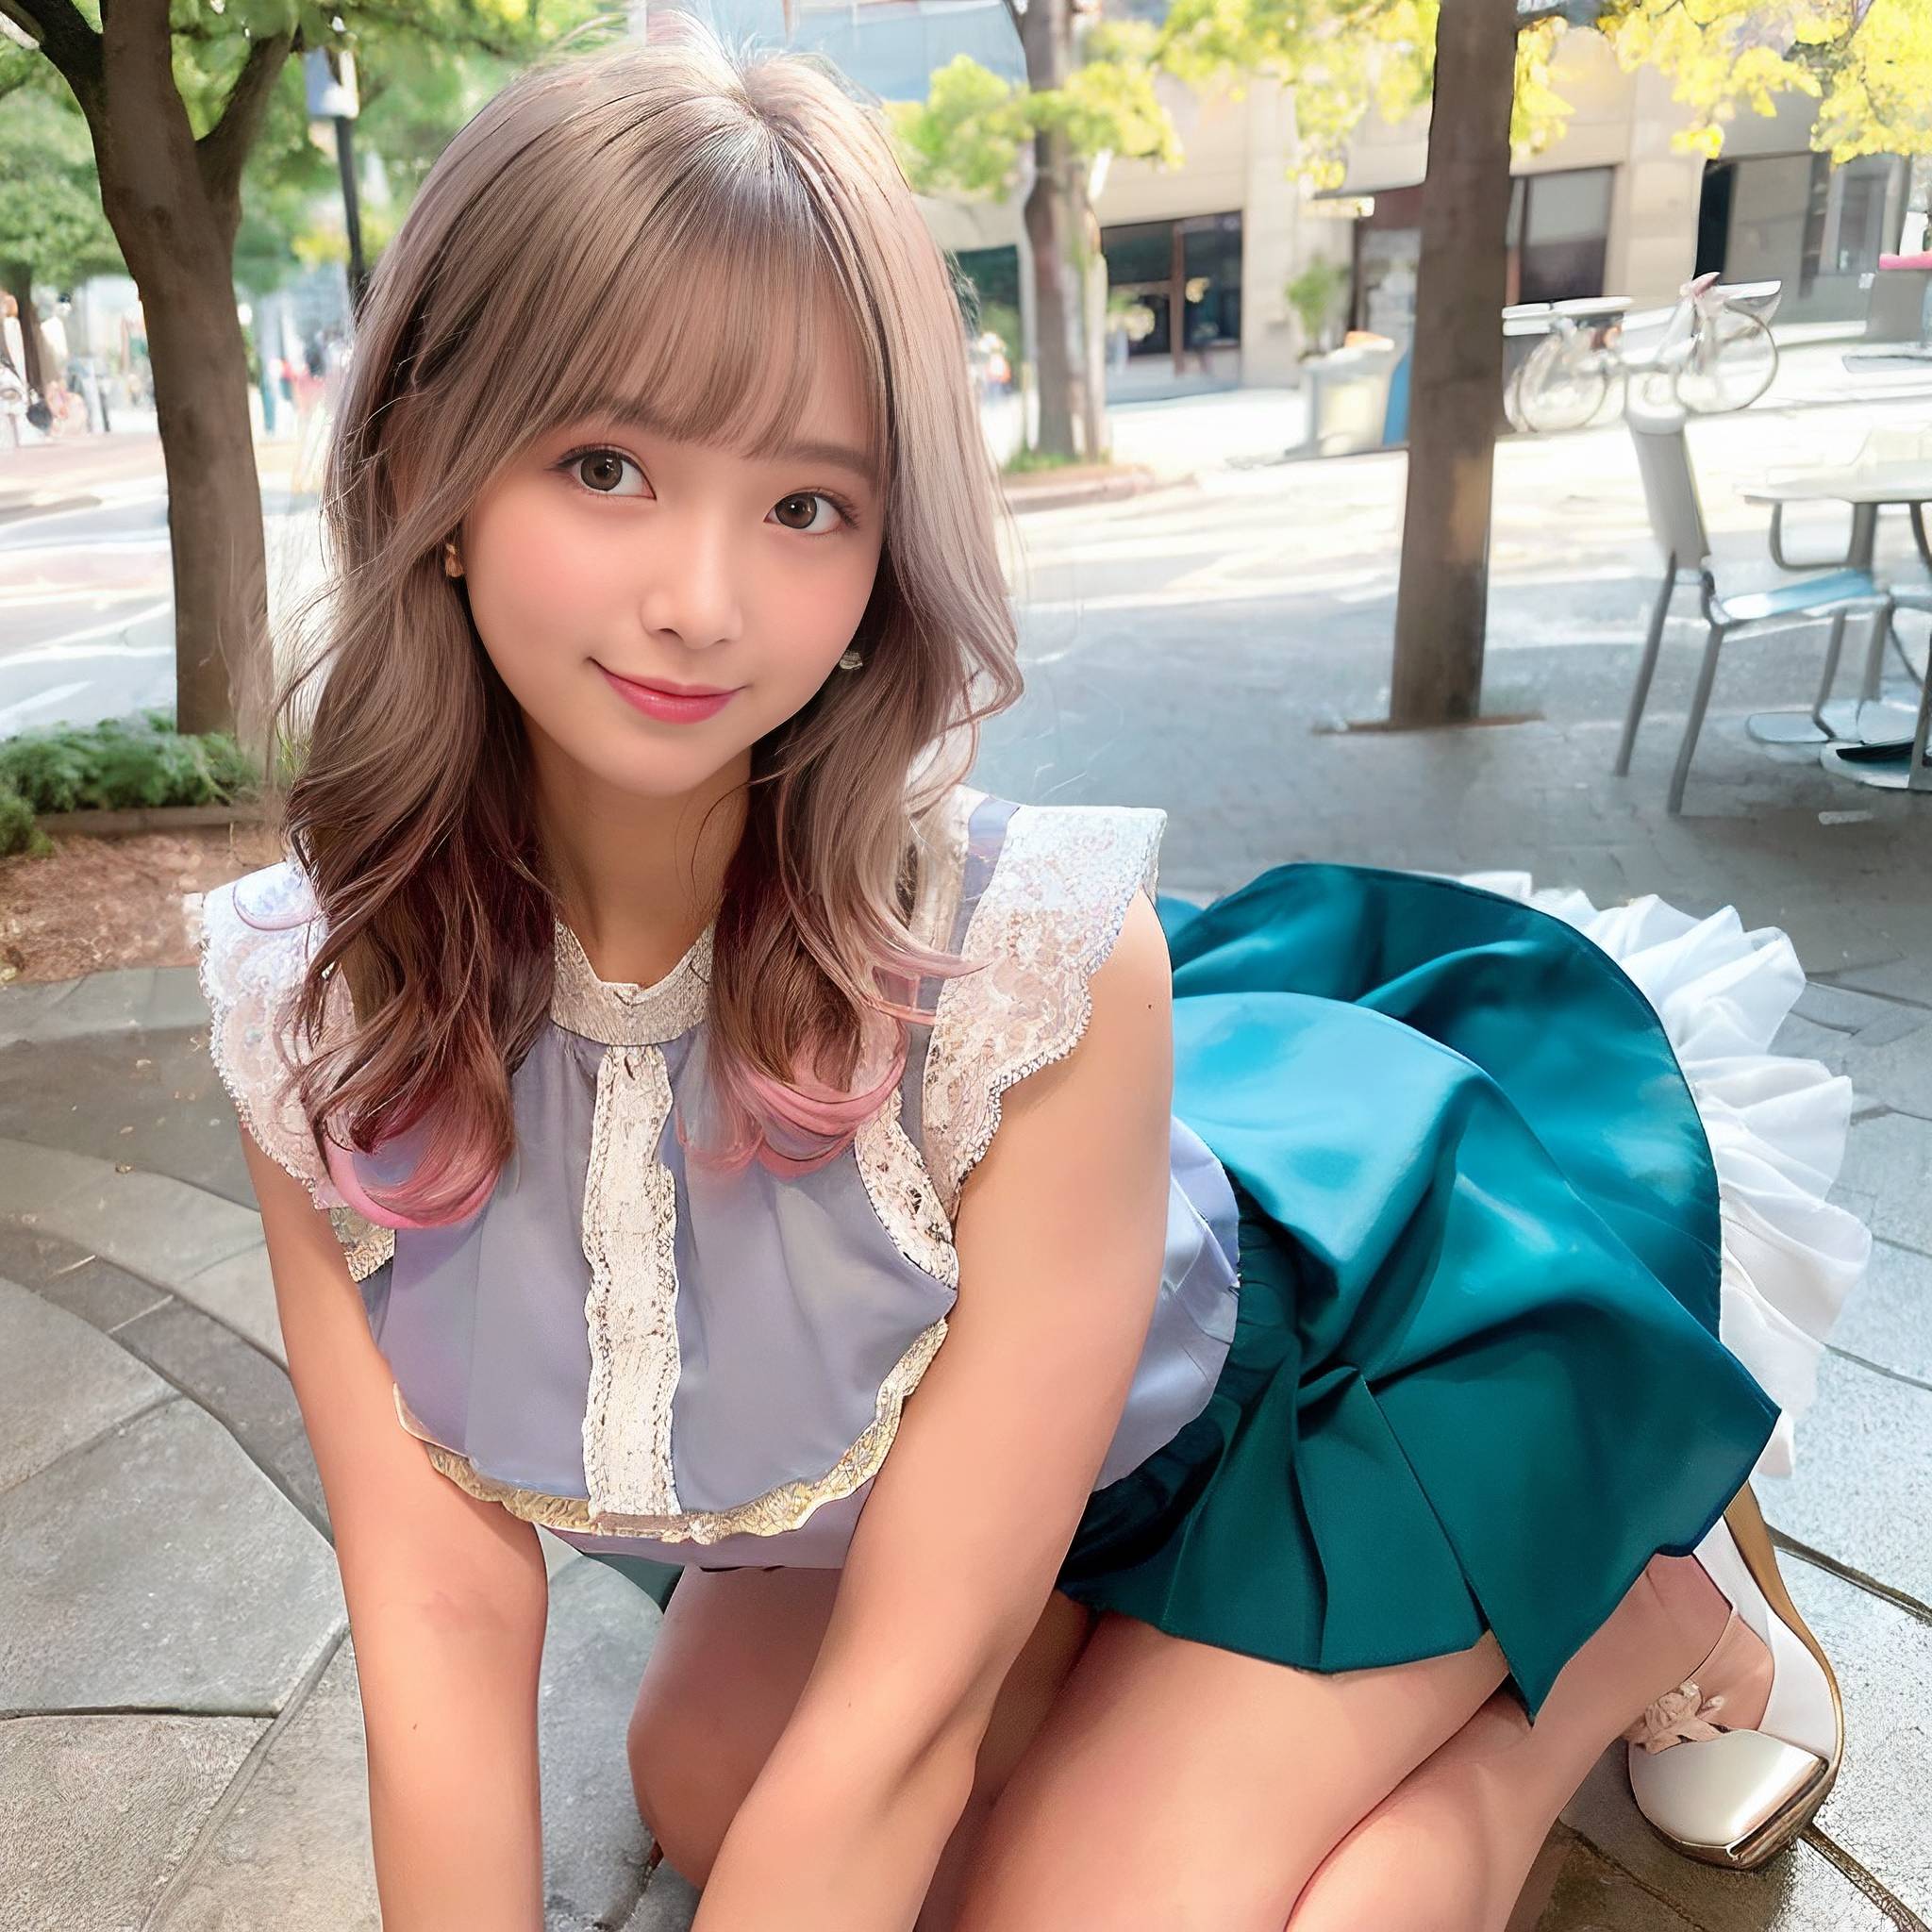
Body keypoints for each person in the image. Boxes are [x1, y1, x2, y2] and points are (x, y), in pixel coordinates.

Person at [197, 25, 1868, 1932]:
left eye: (806, 503)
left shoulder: (1021, 972)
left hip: (1306, 1422)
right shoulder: (312, 1008)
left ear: (883, 542)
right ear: (429, 454)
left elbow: (902, 1720)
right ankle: (1143, 1705)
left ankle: (1593, 1637)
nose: (704, 599)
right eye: (605, 464)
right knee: (710, 1789)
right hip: (980, 1501)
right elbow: (434, 1615)